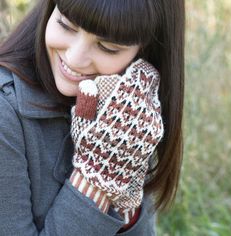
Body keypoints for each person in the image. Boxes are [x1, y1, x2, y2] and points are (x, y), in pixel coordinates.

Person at [0, 0, 185, 235]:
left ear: (145, 50)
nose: (74, 59)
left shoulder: (129, 105)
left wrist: (122, 203)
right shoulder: (5, 110)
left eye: (107, 47)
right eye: (65, 26)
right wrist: (95, 178)